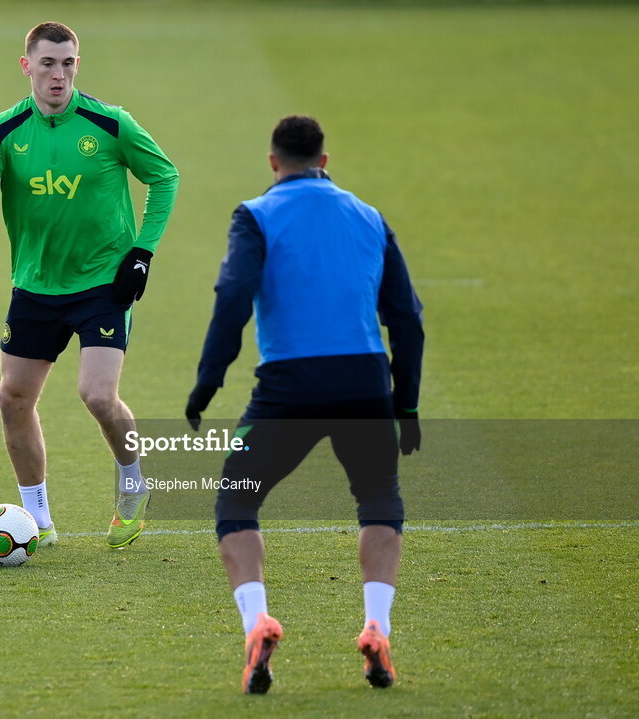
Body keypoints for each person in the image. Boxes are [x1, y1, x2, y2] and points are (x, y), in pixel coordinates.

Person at [185, 116, 423, 693]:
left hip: (287, 387)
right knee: (378, 499)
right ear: (325, 158)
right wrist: (405, 405)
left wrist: (208, 381)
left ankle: (256, 623)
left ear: (273, 162)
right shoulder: (370, 217)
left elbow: (233, 295)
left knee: (234, 501)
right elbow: (407, 319)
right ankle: (376, 627)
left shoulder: (256, 215)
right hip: (365, 380)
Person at [0, 22, 179, 548]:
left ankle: (133, 484)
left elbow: (165, 176)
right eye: (48, 63)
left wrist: (142, 252)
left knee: (96, 394)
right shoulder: (4, 131)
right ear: (27, 66)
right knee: (12, 398)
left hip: (103, 284)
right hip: (36, 286)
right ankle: (36, 521)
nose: (59, 74)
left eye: (68, 63)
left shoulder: (110, 124)